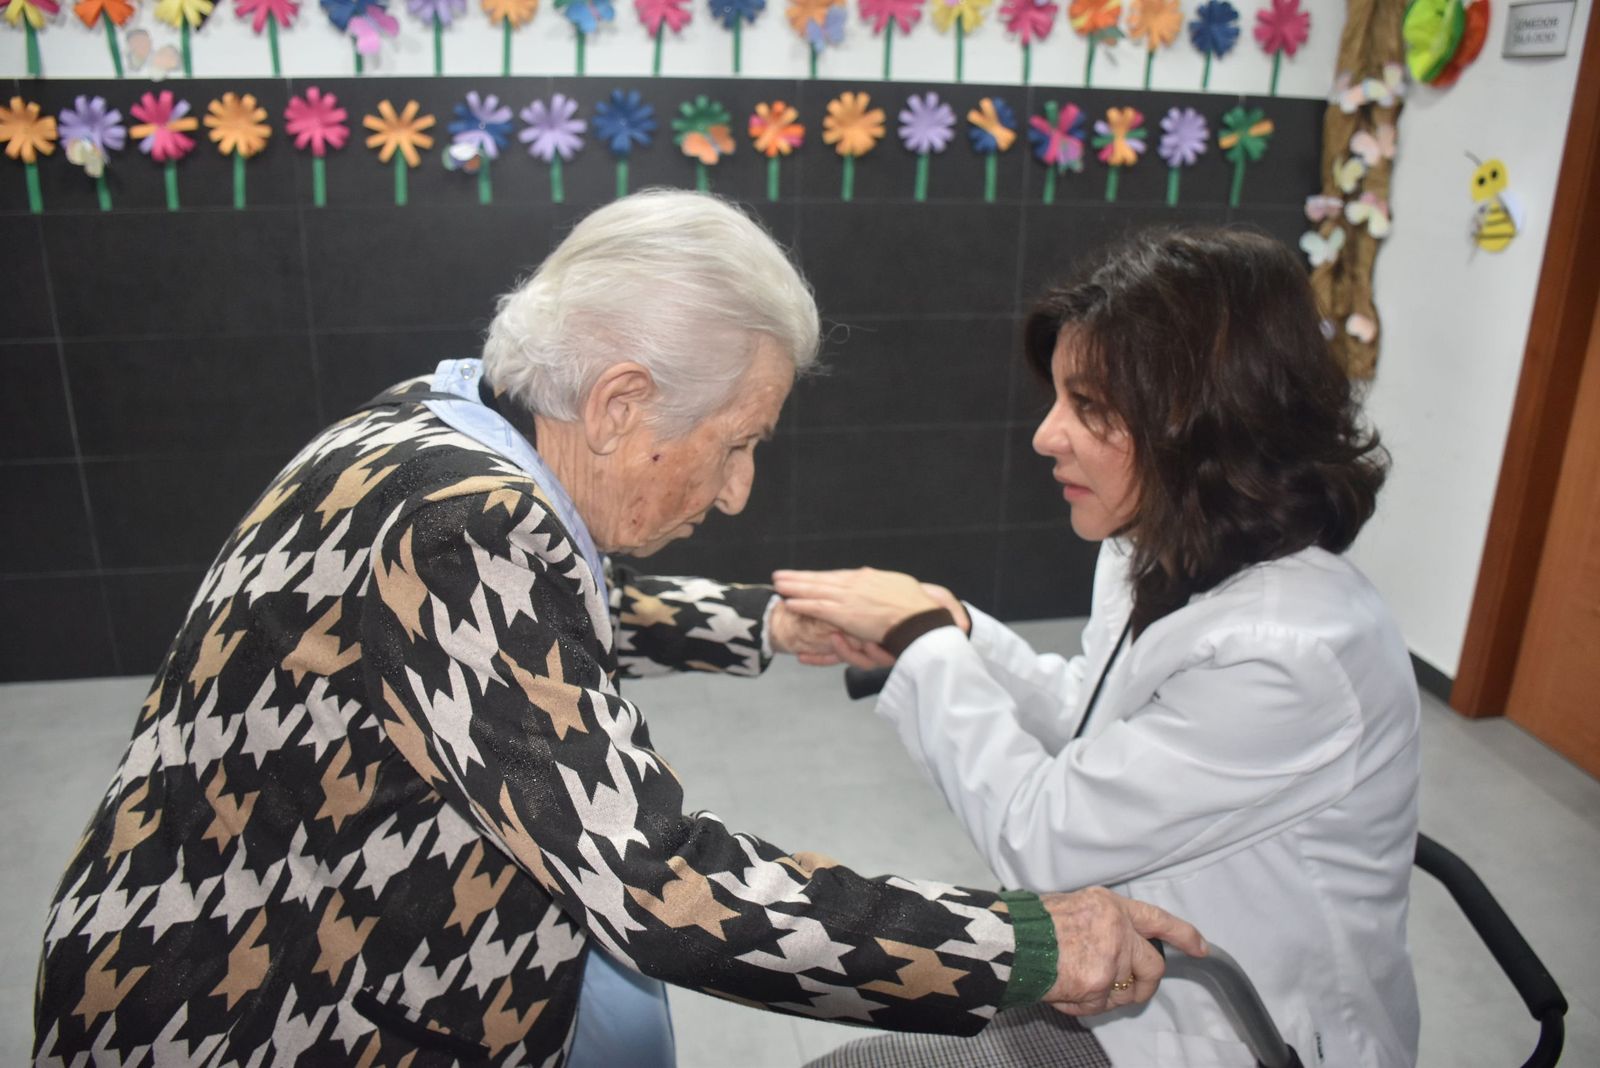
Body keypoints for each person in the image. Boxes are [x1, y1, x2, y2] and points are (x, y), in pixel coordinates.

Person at [33, 192, 1205, 1067]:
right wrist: (1021, 946)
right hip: (239, 1006)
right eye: (738, 441)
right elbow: (659, 887)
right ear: (619, 405)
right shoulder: (458, 530)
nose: (740, 488)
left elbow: (528, 624)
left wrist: (766, 622)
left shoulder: (442, 431)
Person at [775, 228, 1421, 1067]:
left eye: (1091, 408)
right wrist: (965, 637)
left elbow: (1043, 839)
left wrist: (925, 644)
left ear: (1207, 422)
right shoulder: (1157, 549)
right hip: (1127, 990)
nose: (1047, 436)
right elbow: (1092, 719)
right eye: (1057, 399)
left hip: (1235, 1032)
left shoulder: (1291, 653)